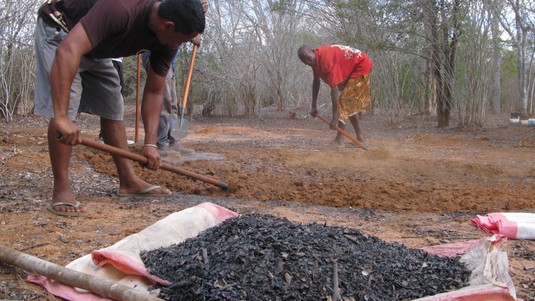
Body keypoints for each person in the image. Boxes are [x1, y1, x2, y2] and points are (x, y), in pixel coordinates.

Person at [34, 0, 205, 216]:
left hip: (97, 47)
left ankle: (128, 181)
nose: (182, 44)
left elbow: (154, 91)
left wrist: (150, 143)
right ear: (168, 26)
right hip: (62, 31)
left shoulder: (168, 40)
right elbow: (68, 50)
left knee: (113, 106)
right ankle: (61, 188)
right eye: (184, 39)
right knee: (66, 109)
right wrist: (61, 117)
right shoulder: (121, 8)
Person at [297, 44, 373, 146]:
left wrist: (335, 118)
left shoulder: (325, 60)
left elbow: (334, 90)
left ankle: (340, 140)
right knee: (347, 103)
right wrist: (313, 106)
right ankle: (360, 138)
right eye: (304, 61)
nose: (307, 62)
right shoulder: (315, 62)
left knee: (344, 101)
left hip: (361, 65)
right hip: (353, 67)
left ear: (312, 51)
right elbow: (316, 82)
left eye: (308, 58)